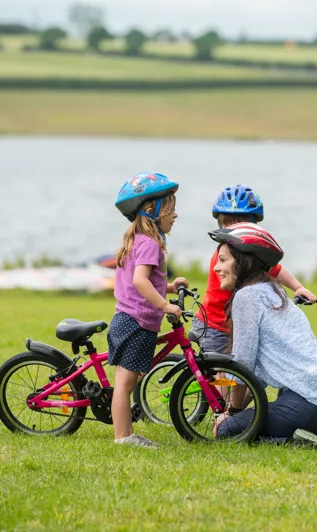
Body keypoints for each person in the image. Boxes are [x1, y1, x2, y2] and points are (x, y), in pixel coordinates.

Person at [208, 223, 317, 447]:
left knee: (228, 431)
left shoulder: (247, 297)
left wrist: (233, 412)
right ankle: (312, 435)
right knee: (240, 423)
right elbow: (259, 376)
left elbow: (242, 365)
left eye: (223, 260)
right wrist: (238, 411)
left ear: (244, 261)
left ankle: (307, 443)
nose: (216, 267)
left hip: (314, 405)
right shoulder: (275, 291)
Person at [108, 172, 188, 448]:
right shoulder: (150, 244)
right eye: (170, 208)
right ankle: (123, 438)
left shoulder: (139, 241)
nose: (175, 215)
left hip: (129, 319)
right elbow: (139, 281)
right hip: (136, 322)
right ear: (152, 211)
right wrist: (166, 305)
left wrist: (168, 286)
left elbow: (146, 282)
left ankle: (127, 433)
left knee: (125, 381)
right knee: (125, 384)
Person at [189, 184, 317, 354]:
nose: (235, 229)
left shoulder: (250, 256)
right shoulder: (225, 255)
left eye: (242, 222)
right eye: (227, 222)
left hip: (233, 325)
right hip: (214, 326)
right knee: (221, 373)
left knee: (244, 369)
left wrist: (298, 287)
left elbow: (276, 270)